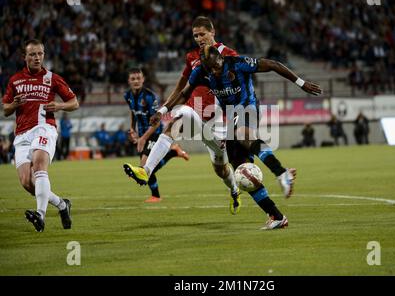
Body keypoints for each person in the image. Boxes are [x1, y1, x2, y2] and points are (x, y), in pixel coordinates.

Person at [150, 45, 322, 229]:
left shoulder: (238, 64)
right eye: (210, 69)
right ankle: (276, 216)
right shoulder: (201, 71)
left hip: (249, 108)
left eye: (216, 66)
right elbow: (185, 92)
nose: (214, 71)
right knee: (242, 169)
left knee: (242, 133)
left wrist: (301, 83)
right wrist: (162, 111)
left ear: (220, 58)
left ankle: (281, 173)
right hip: (231, 117)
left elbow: (272, 64)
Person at [123, 16, 243, 213]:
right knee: (178, 120)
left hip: (218, 122)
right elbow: (181, 88)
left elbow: (238, 91)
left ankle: (235, 190)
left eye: (202, 34)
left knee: (220, 169)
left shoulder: (229, 55)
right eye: (195, 35)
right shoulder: (192, 58)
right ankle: (146, 171)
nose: (198, 38)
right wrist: (163, 110)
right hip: (193, 112)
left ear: (212, 32)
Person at [2, 39, 78, 232]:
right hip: (21, 135)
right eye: (33, 54)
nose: (37, 58)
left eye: (40, 54)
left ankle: (40, 215)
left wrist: (59, 106)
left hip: (45, 128)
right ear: (24, 57)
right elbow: (5, 110)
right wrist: (14, 105)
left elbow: (74, 102)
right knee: (27, 182)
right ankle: (62, 204)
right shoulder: (15, 80)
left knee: (39, 165)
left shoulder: (52, 78)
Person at [124, 67, 189, 203]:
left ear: (143, 79)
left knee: (144, 167)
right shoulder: (128, 96)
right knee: (146, 168)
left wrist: (143, 138)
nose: (136, 81)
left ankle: (156, 196)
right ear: (129, 81)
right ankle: (173, 152)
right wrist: (132, 128)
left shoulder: (150, 97)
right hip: (143, 135)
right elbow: (133, 112)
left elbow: (157, 123)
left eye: (138, 78)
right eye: (133, 79)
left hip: (154, 134)